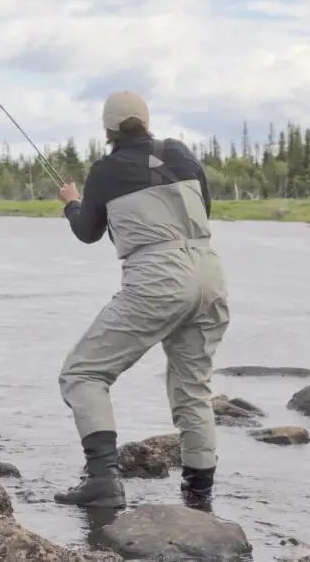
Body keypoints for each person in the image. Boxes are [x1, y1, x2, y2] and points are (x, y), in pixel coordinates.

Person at [53, 91, 230, 510]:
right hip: (209, 271)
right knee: (193, 389)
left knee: (82, 374)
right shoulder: (182, 153)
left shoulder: (106, 169)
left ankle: (103, 481)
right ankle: (198, 497)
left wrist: (71, 203)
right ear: (146, 123)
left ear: (107, 130)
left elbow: (87, 231)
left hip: (159, 276)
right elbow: (204, 207)